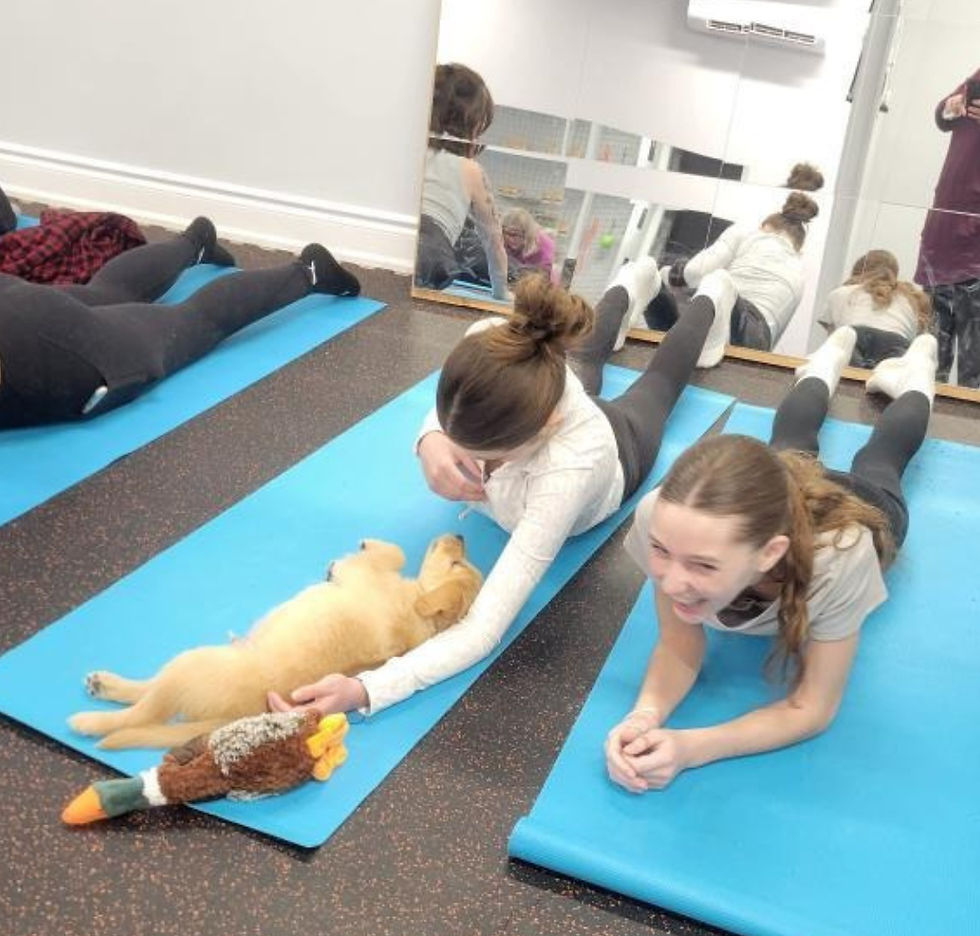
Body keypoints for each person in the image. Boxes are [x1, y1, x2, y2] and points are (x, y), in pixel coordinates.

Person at [267, 258, 737, 717]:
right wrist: (430, 437)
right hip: (548, 401)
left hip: (618, 451)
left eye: (492, 454)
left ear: (546, 425)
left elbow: (484, 627)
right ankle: (635, 277)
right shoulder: (495, 341)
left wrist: (364, 689)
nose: (481, 463)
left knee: (658, 385)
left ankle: (712, 294)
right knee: (584, 353)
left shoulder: (569, 467)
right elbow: (445, 409)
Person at [605, 324, 939, 792]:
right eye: (663, 553)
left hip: (861, 510)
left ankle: (920, 368)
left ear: (770, 553)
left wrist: (690, 748)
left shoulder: (841, 557)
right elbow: (680, 644)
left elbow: (812, 707)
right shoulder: (663, 520)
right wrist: (645, 715)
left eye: (703, 565)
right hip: (782, 492)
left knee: (880, 460)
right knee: (789, 442)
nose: (673, 581)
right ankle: (824, 363)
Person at [0, 217, 360, 427]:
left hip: (53, 357)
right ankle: (195, 244)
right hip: (18, 306)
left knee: (194, 320)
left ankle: (308, 272)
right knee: (106, 292)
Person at [646, 169, 824, 353]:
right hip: (756, 341)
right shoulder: (799, 273)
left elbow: (694, 272)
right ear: (797, 246)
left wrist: (667, 274)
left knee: (715, 281)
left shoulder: (747, 232)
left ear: (764, 225)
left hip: (730, 315)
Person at [415, 63, 509, 301]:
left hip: (411, 237)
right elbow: (494, 243)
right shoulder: (471, 171)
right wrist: (501, 293)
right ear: (472, 125)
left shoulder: (413, 150)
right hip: (432, 248)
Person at [914, 68, 980, 387]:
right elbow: (942, 116)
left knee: (974, 375)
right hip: (942, 239)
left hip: (975, 253)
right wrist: (956, 105)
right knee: (927, 364)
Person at [819, 250, 933, 368]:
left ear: (857, 273)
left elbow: (832, 339)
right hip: (897, 343)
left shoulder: (841, 293)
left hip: (854, 337)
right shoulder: (910, 298)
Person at [501, 208, 556, 283]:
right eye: (508, 234)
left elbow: (545, 279)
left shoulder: (544, 247)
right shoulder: (499, 239)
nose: (511, 239)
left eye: (515, 235)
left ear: (527, 234)